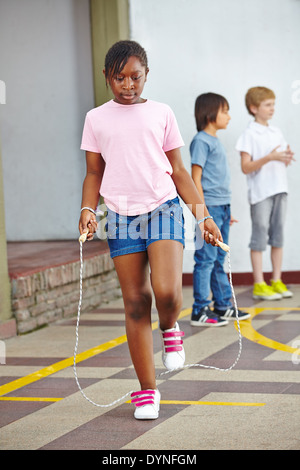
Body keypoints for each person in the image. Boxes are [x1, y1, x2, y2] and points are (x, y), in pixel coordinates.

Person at [78, 41, 222, 420]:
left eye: (135, 77)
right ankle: (147, 391)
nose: (128, 85)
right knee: (136, 303)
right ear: (108, 77)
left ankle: (171, 327)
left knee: (166, 291)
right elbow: (95, 172)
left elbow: (178, 170)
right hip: (121, 217)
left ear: (146, 75)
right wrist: (88, 210)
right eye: (120, 77)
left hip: (164, 208)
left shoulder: (161, 113)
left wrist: (202, 216)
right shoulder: (96, 118)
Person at [190, 93, 250, 327]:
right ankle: (199, 309)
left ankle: (223, 305)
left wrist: (226, 212)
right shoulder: (201, 141)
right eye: (225, 111)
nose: (229, 116)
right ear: (210, 113)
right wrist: (203, 214)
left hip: (222, 207)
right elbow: (196, 179)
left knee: (219, 257)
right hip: (209, 208)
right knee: (205, 258)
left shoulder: (215, 141)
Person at [236, 86, 294, 300]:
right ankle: (260, 283)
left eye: (273, 104)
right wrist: (269, 158)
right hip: (261, 193)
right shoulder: (249, 134)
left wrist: (285, 157)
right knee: (259, 237)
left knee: (278, 237)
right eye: (267, 105)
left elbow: (280, 159)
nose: (272, 109)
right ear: (253, 108)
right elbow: (245, 167)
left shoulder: (276, 131)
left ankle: (276, 280)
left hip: (280, 189)